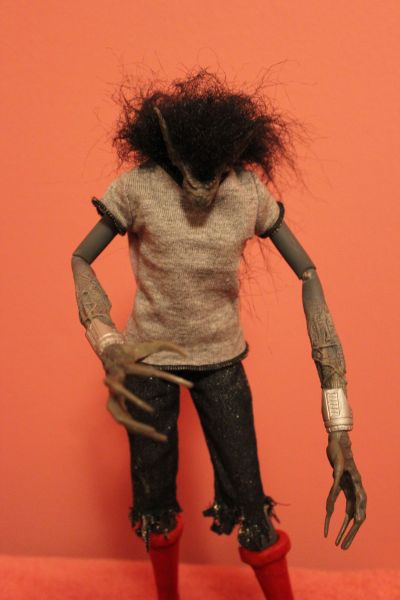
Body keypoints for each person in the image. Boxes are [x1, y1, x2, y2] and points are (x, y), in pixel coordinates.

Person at [71, 71, 367, 600]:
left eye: (214, 174)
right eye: (191, 174)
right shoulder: (138, 187)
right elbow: (80, 258)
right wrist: (108, 343)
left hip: (222, 362)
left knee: (252, 503)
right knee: (154, 505)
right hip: (145, 363)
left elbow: (308, 275)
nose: (202, 189)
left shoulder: (247, 192)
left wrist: (337, 421)